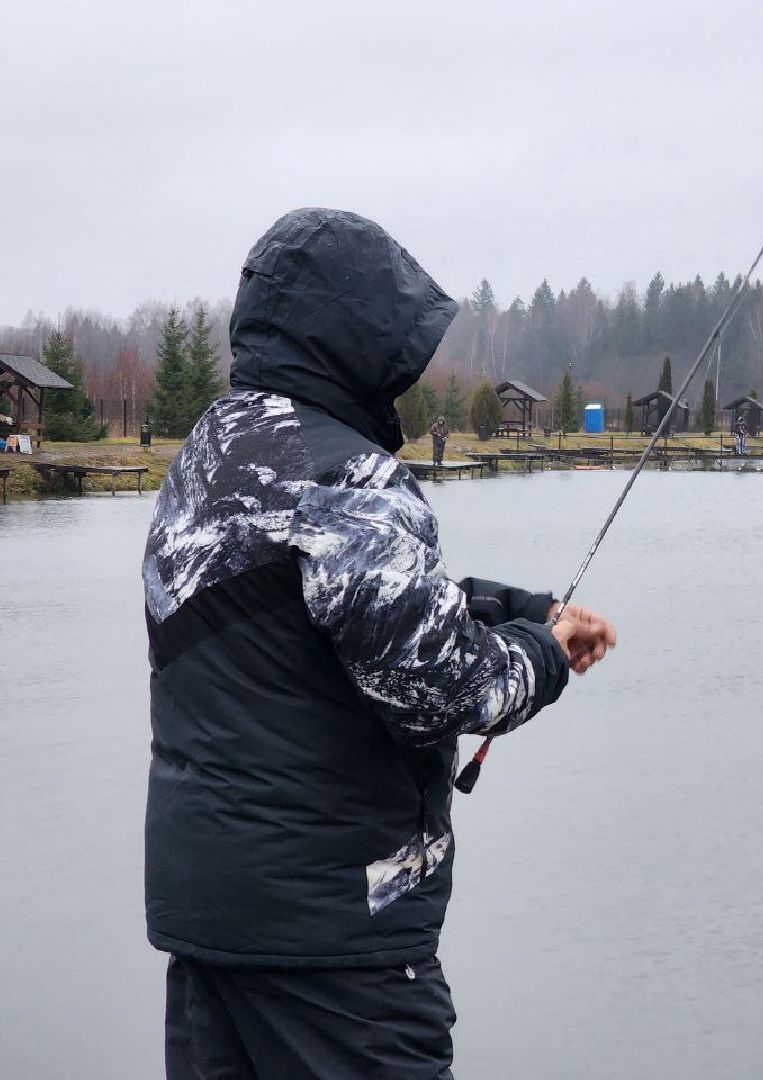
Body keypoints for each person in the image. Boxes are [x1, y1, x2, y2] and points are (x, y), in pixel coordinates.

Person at [142, 208, 617, 1078]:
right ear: (353, 337)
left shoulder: (212, 454)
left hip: (210, 926)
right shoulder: (348, 475)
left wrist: (516, 608)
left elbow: (311, 610)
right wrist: (546, 652)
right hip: (336, 950)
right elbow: (447, 689)